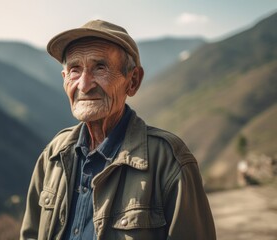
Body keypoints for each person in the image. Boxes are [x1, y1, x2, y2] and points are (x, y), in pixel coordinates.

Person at [20, 19, 216, 240]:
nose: (84, 85)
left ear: (132, 81)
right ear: (65, 80)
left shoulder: (169, 160)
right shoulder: (54, 155)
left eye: (100, 68)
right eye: (75, 70)